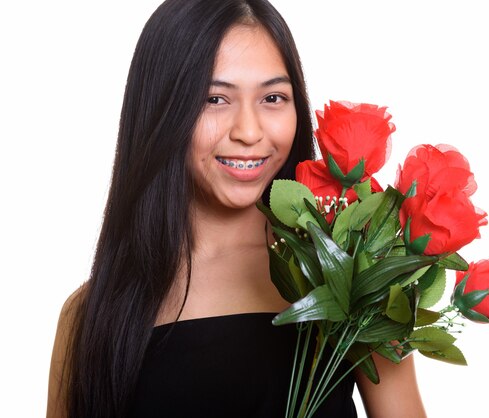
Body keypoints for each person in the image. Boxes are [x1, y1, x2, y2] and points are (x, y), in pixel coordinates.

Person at [46, 0, 428, 417]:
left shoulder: (351, 276)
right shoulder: (92, 314)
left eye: (273, 97)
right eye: (214, 98)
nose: (248, 132)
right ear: (162, 109)